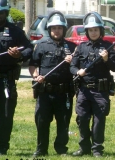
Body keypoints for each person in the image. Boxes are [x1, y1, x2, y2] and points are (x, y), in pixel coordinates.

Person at [70, 11, 115, 157]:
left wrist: (106, 59)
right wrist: (77, 71)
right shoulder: (81, 47)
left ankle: (97, 149)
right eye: (90, 30)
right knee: (82, 119)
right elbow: (72, 66)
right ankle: (84, 147)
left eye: (96, 30)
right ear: (87, 31)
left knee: (99, 121)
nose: (93, 32)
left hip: (100, 91)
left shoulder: (108, 46)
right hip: (84, 90)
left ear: (101, 30)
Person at [28, 10, 76, 157]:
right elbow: (33, 65)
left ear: (63, 29)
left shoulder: (72, 48)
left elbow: (77, 67)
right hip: (45, 92)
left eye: (59, 28)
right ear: (50, 29)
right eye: (54, 28)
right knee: (42, 122)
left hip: (64, 92)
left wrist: (72, 60)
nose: (57, 31)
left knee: (63, 123)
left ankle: (61, 148)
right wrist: (36, 76)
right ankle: (41, 149)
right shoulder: (41, 45)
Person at [0, 0, 33, 155]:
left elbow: (29, 48)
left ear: (6, 13)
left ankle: (2, 147)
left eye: (1, 13)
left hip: (6, 80)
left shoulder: (14, 31)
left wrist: (20, 55)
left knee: (6, 115)